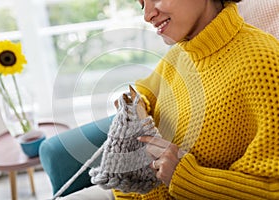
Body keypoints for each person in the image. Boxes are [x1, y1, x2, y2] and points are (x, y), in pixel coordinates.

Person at [59, 0, 279, 199]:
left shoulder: (263, 64)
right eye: (141, 3)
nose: (147, 15)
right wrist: (136, 105)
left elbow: (273, 189)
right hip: (128, 193)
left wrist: (185, 177)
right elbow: (145, 90)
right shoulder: (182, 52)